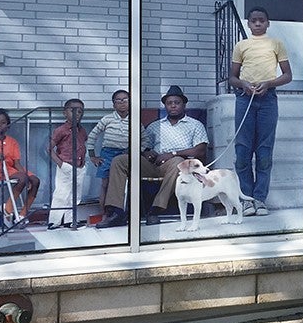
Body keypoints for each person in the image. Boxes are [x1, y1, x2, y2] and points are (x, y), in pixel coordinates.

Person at [106, 85, 209, 226]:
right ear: (165, 106)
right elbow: (143, 146)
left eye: (177, 103)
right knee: (120, 160)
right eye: (169, 103)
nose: (173, 106)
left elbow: (200, 150)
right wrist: (147, 153)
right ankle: (116, 212)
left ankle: (155, 210)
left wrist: (172, 154)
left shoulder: (195, 125)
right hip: (152, 164)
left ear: (184, 104)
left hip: (176, 166)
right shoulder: (155, 126)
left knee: (178, 162)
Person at [229, 6, 292, 216]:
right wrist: (244, 84)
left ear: (268, 23)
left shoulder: (276, 44)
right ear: (248, 23)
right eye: (254, 20)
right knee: (242, 150)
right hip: (244, 99)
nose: (257, 24)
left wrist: (268, 83)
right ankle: (246, 199)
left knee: (264, 151)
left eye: (261, 20)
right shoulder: (241, 45)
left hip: (267, 100)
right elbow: (232, 77)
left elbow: (287, 75)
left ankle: (260, 200)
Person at [0, 108, 40, 228]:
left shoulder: (12, 142)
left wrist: (27, 177)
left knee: (35, 180)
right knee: (22, 179)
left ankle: (22, 215)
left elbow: (16, 163)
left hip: (12, 170)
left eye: (3, 122)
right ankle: (8, 209)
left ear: (8, 126)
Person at [88, 90, 130, 228]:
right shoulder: (107, 119)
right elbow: (92, 136)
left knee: (120, 185)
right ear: (113, 104)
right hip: (108, 153)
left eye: (125, 99)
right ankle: (105, 214)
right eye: (118, 100)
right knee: (105, 184)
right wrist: (92, 156)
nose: (122, 103)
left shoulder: (135, 120)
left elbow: (144, 140)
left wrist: (136, 151)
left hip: (126, 154)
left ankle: (120, 213)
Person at [47, 98, 88, 229]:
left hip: (80, 166)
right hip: (66, 165)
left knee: (76, 195)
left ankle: (70, 220)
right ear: (65, 113)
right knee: (62, 193)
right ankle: (54, 221)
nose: (77, 114)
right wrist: (60, 163)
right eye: (73, 110)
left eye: (80, 111)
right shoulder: (61, 130)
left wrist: (84, 161)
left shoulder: (82, 130)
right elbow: (49, 148)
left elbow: (83, 145)